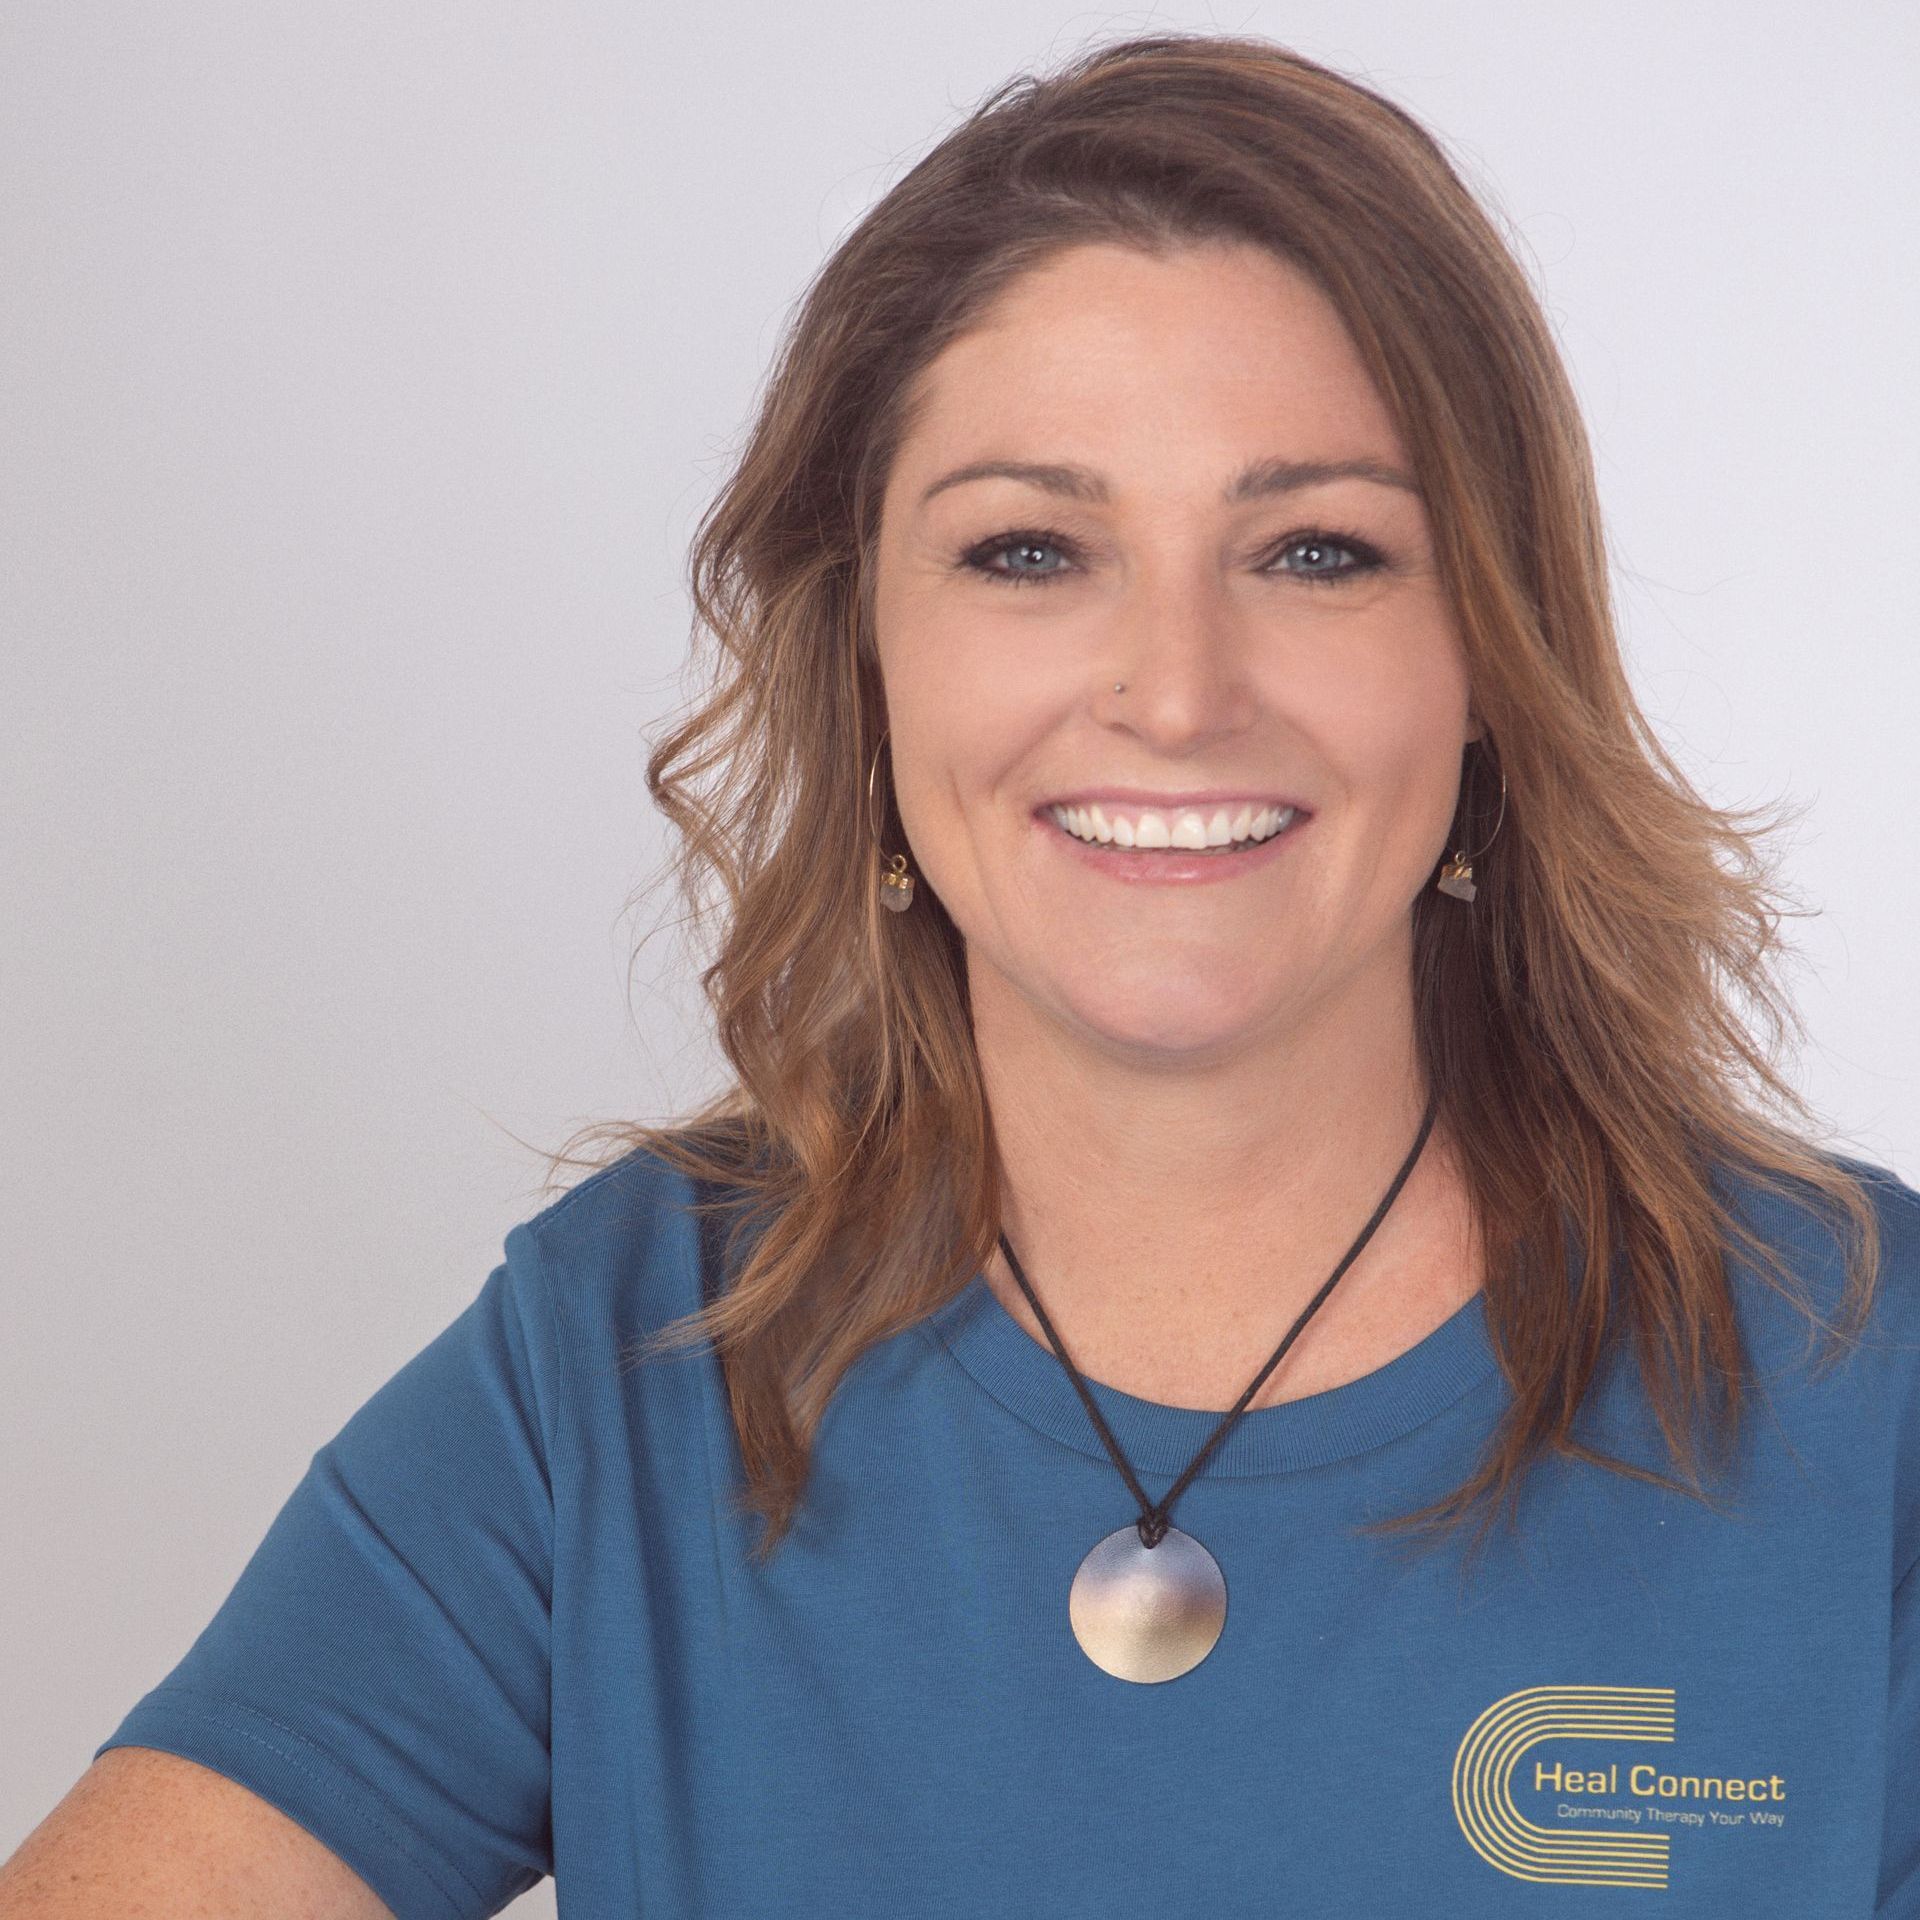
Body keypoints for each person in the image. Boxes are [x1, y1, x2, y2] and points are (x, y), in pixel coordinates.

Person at [4, 28, 1915, 1920]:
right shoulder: (625, 1356)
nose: (1177, 691)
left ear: (1494, 653)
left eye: (1320, 551)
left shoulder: (1870, 1379)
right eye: (1027, 551)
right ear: (869, 654)